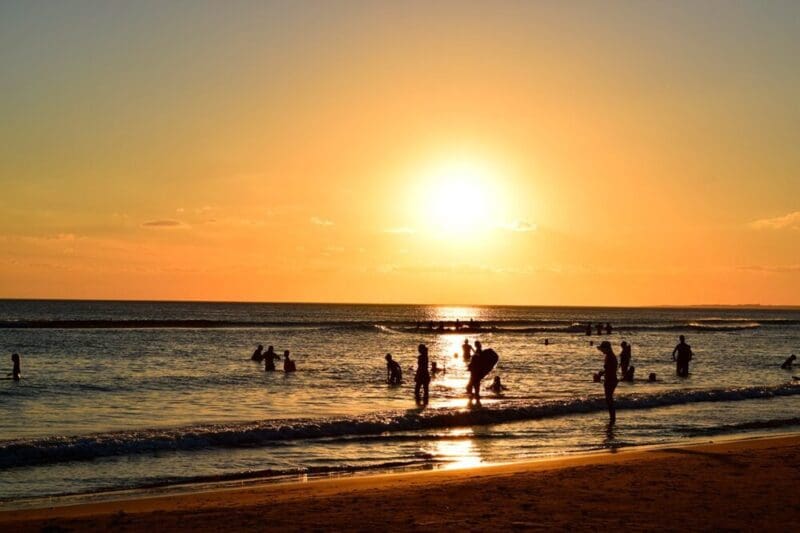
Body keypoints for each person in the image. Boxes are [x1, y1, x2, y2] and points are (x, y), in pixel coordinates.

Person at [596, 341, 618, 424]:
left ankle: (612, 418)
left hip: (610, 380)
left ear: (606, 348)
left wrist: (600, 374)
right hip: (611, 379)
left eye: (602, 349)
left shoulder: (610, 357)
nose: (602, 351)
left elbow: (609, 369)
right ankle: (612, 417)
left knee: (609, 399)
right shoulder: (610, 356)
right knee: (609, 399)